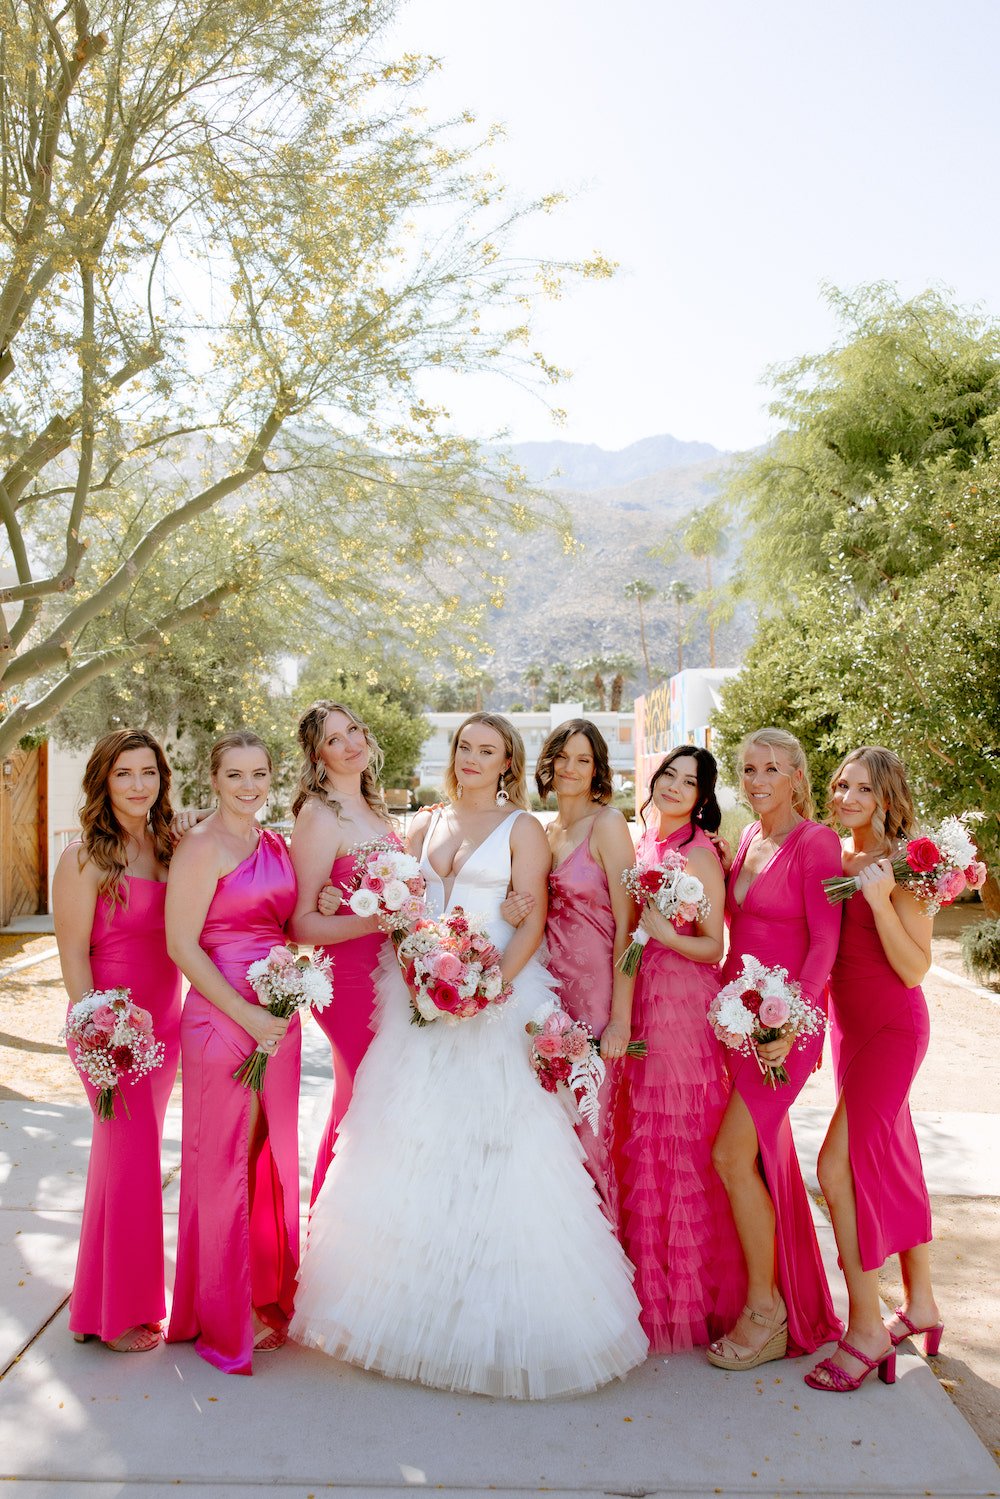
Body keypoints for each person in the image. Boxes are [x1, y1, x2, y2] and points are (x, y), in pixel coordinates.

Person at [290, 711, 648, 1397]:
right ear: (453, 755)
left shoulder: (523, 830)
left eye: (489, 749)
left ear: (509, 761)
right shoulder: (424, 826)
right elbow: (399, 908)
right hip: (417, 999)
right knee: (412, 1148)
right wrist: (422, 969)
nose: (475, 758)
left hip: (495, 998)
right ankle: (410, 1308)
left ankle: (491, 1311)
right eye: (466, 747)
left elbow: (533, 915)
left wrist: (487, 988)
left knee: (495, 1152)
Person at [707, 728, 843, 1369]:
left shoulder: (815, 843)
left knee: (733, 1157)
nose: (758, 780)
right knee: (763, 1164)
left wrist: (794, 1022)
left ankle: (766, 1312)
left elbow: (824, 941)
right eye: (749, 769)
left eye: (771, 769)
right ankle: (785, 1294)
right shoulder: (749, 841)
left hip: (784, 1034)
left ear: (797, 776)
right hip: (739, 1021)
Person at [165, 731, 299, 1375]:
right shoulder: (200, 847)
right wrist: (245, 1011)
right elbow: (182, 946)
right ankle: (222, 1315)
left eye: (260, 774)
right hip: (223, 1017)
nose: (249, 786)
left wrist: (332, 906)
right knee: (221, 1165)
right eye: (235, 775)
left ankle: (256, 1294)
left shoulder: (274, 844)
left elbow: (286, 924)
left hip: (275, 1017)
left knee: (265, 1159)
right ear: (213, 780)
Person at [805, 747, 938, 1392]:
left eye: (861, 788)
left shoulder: (909, 868)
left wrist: (881, 899)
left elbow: (915, 970)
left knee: (836, 1166)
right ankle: (923, 1306)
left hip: (892, 1029)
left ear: (886, 797)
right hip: (847, 1030)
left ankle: (865, 1330)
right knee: (896, 1155)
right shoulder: (833, 854)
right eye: (839, 785)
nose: (846, 796)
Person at [53, 729, 182, 1353]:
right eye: (125, 773)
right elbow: (73, 955)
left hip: (165, 1022)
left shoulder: (170, 846)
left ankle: (99, 1304)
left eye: (149, 773)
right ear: (104, 780)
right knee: (127, 1159)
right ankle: (116, 1314)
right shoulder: (82, 857)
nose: (138, 785)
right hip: (111, 1028)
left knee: (128, 1161)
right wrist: (97, 1030)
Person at [613, 747, 744, 1351]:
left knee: (677, 1137)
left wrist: (665, 933)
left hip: (682, 1005)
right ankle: (639, 1289)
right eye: (668, 775)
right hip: (637, 995)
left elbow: (713, 944)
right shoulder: (640, 843)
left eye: (689, 783)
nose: (673, 787)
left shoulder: (700, 852)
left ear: (702, 797)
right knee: (638, 1133)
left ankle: (684, 1299)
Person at [502, 719, 637, 1219]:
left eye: (583, 759)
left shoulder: (609, 825)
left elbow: (630, 927)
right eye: (563, 757)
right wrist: (514, 910)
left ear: (597, 768)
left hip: (597, 993)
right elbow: (533, 909)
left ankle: (609, 1254)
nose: (571, 768)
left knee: (593, 1120)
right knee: (555, 1124)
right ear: (549, 762)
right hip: (547, 991)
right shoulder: (542, 828)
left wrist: (620, 1017)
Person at [288, 700, 399, 1201]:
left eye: (354, 730)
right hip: (349, 985)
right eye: (335, 739)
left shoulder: (375, 808)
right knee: (367, 1108)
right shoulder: (318, 816)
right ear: (318, 756)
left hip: (392, 979)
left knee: (369, 1107)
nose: (352, 744)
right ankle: (338, 1235)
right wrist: (374, 921)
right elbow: (300, 924)